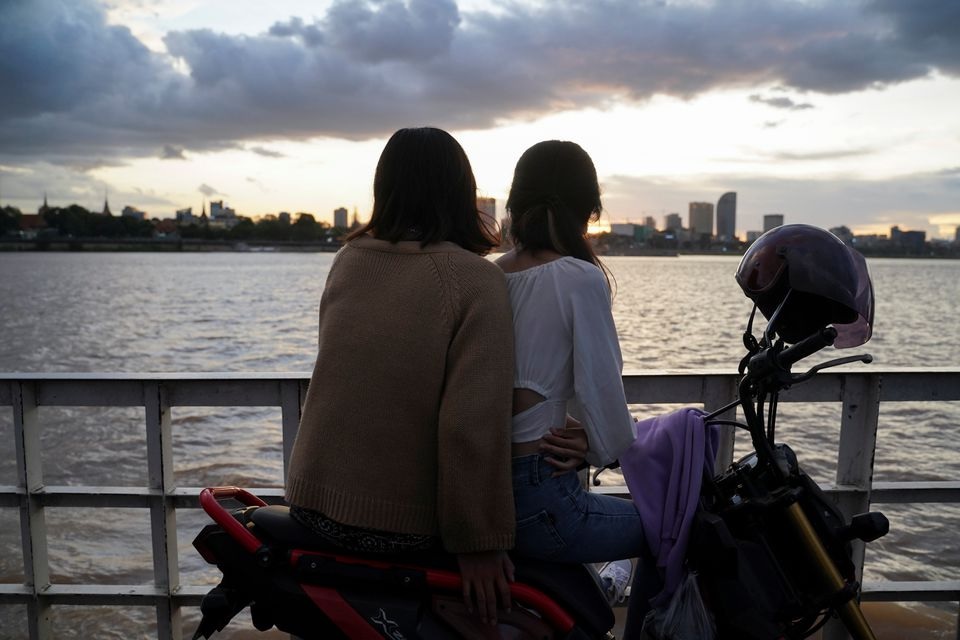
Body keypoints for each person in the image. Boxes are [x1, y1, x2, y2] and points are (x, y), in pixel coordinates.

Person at [284, 127, 516, 625]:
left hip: (308, 505)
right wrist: (478, 544)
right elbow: (469, 427)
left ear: (383, 187)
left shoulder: (349, 260)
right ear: (462, 190)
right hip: (397, 525)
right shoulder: (477, 279)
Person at [496, 140, 661, 637]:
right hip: (543, 500)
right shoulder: (579, 278)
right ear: (587, 211)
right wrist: (597, 444)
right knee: (667, 528)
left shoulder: (489, 275)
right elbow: (605, 406)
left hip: (489, 494)